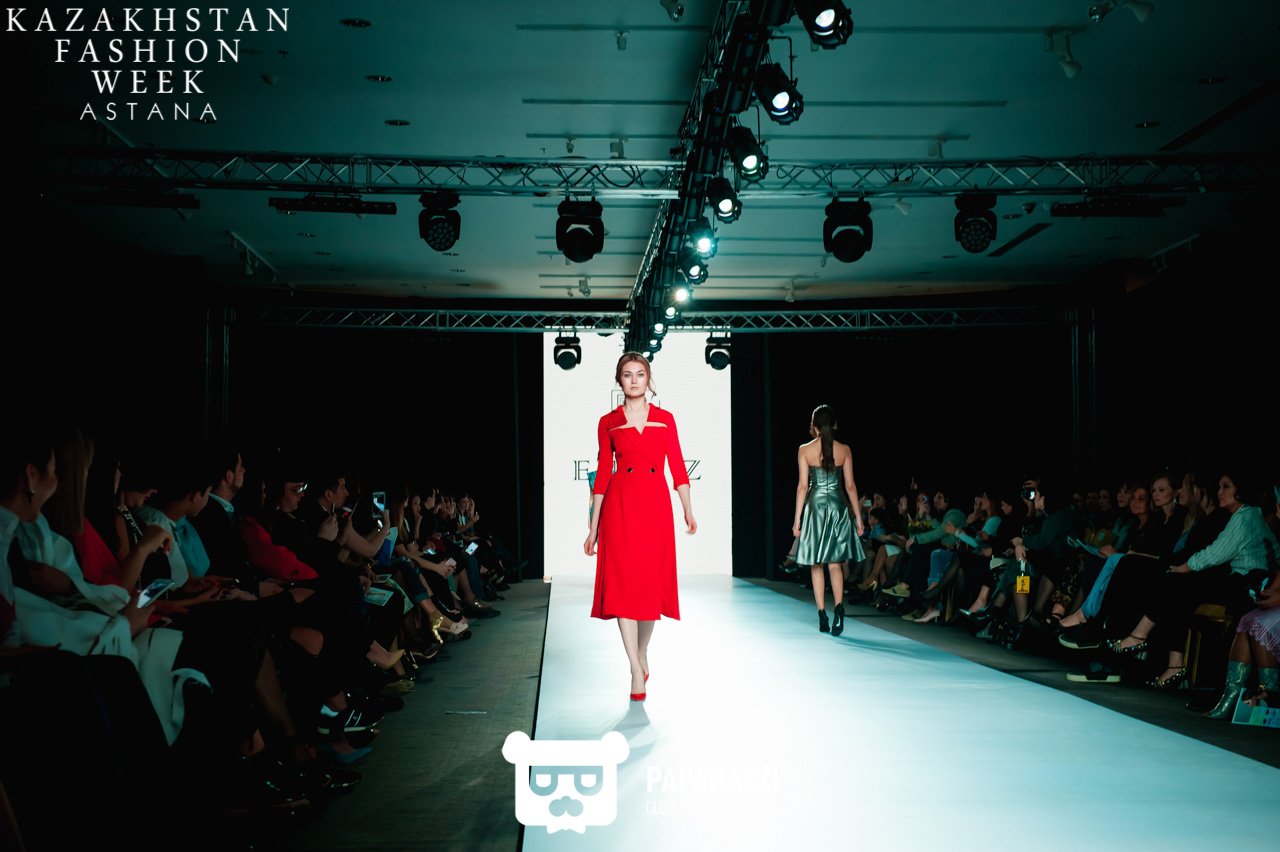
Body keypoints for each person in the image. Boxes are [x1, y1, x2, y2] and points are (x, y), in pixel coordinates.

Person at [584, 351, 696, 702]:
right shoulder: (608, 422)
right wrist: (593, 527)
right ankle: (634, 667)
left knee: (649, 586)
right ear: (619, 380)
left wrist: (688, 510)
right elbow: (603, 475)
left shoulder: (665, 419)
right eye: (627, 374)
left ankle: (642, 650)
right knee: (622, 588)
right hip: (619, 507)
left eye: (640, 374)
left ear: (648, 379)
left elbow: (677, 467)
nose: (634, 380)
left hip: (655, 507)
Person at [792, 405, 865, 637]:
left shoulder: (805, 450)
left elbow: (803, 486)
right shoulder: (844, 450)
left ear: (814, 426)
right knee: (835, 563)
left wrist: (797, 519)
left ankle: (822, 614)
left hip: (815, 508)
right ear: (834, 425)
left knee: (817, 563)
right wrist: (859, 518)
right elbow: (850, 486)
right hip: (837, 507)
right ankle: (839, 609)